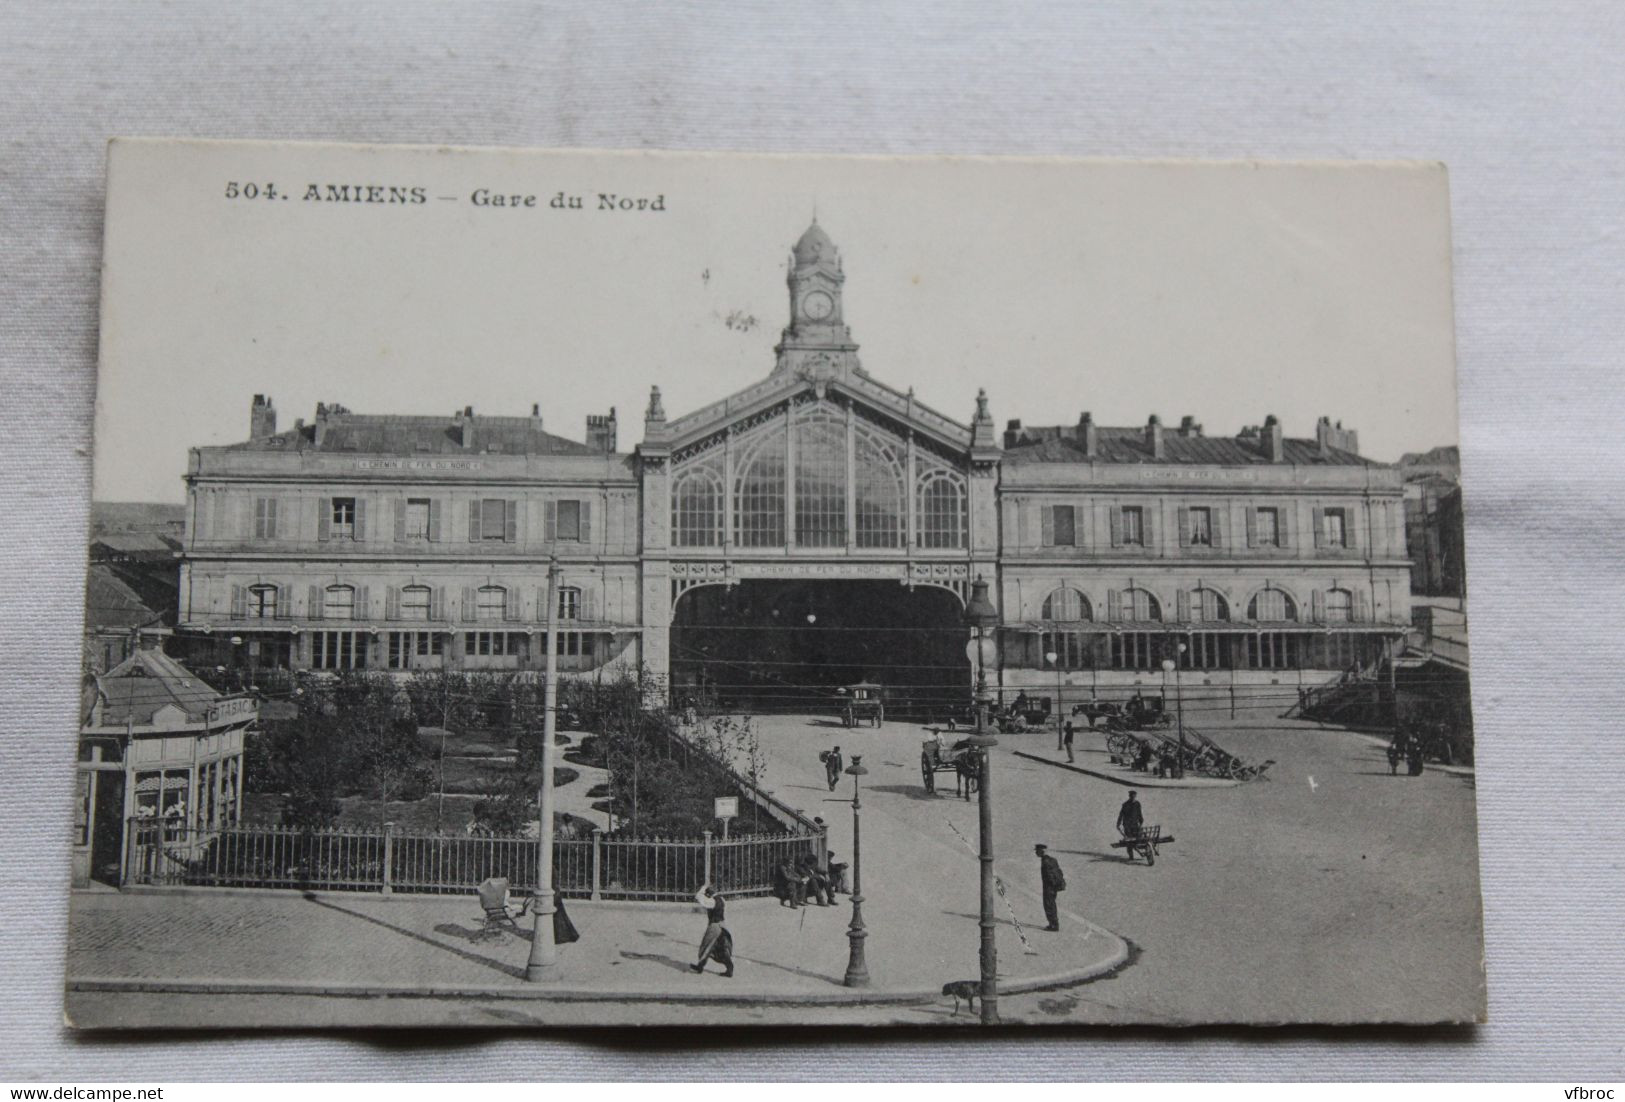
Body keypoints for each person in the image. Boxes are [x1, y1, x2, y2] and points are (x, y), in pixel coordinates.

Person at [689, 884, 734, 977]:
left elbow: (699, 897)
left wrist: (702, 889)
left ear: (708, 894)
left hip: (714, 926)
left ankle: (700, 966)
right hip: (722, 925)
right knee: (721, 948)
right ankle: (729, 968)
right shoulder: (721, 899)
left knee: (706, 946)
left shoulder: (712, 901)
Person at [1035, 843, 1066, 931]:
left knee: (1048, 906)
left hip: (1049, 887)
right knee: (1052, 905)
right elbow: (1059, 872)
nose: (1036, 853)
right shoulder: (1052, 860)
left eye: (1037, 851)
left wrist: (1051, 886)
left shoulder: (1045, 861)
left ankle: (1053, 925)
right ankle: (1054, 924)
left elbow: (1049, 875)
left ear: (1042, 851)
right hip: (1053, 887)